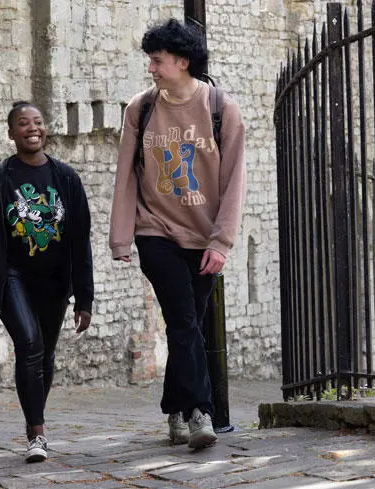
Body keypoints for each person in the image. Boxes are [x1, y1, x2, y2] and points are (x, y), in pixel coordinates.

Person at [109, 19, 246, 449]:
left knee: (185, 325)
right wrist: (121, 236)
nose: (150, 68)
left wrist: (221, 242)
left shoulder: (221, 108)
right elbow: (126, 175)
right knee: (185, 319)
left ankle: (174, 409)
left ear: (182, 61)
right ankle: (200, 413)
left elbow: (234, 180)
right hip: (157, 231)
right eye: (149, 60)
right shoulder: (140, 108)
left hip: (204, 238)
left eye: (157, 60)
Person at [0, 101, 94, 463]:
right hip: (12, 277)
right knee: (30, 343)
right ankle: (36, 433)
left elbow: (80, 241)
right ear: (11, 133)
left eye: (37, 122)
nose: (32, 128)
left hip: (54, 280)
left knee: (46, 354)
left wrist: (84, 298)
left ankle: (35, 415)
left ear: (46, 129)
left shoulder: (66, 179)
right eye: (23, 123)